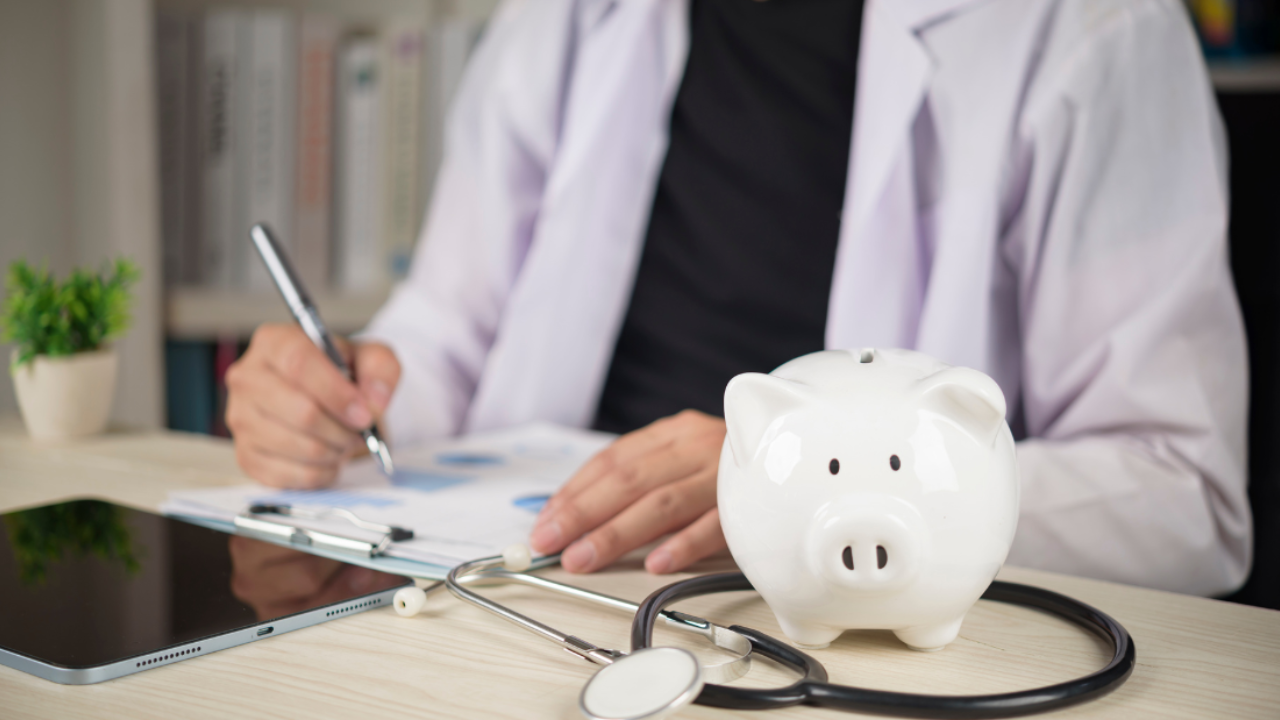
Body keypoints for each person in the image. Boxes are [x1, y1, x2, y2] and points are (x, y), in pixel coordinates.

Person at [225, 0, 1252, 597]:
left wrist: (802, 484)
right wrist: (345, 401)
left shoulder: (1091, 25)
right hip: (534, 582)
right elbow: (447, 326)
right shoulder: (570, 15)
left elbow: (1178, 496)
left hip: (833, 627)